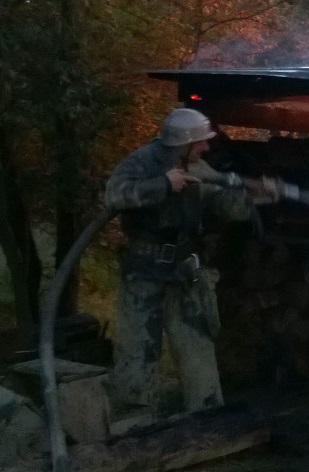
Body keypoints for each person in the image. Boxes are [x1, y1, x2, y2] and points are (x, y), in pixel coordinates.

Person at [104, 108, 281, 413]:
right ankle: (136, 428)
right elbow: (114, 196)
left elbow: (220, 201)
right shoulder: (142, 162)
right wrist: (162, 185)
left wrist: (256, 197)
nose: (207, 147)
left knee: (198, 346)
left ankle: (206, 418)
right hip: (144, 273)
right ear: (183, 142)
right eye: (201, 141)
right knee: (138, 353)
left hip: (185, 272)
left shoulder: (197, 167)